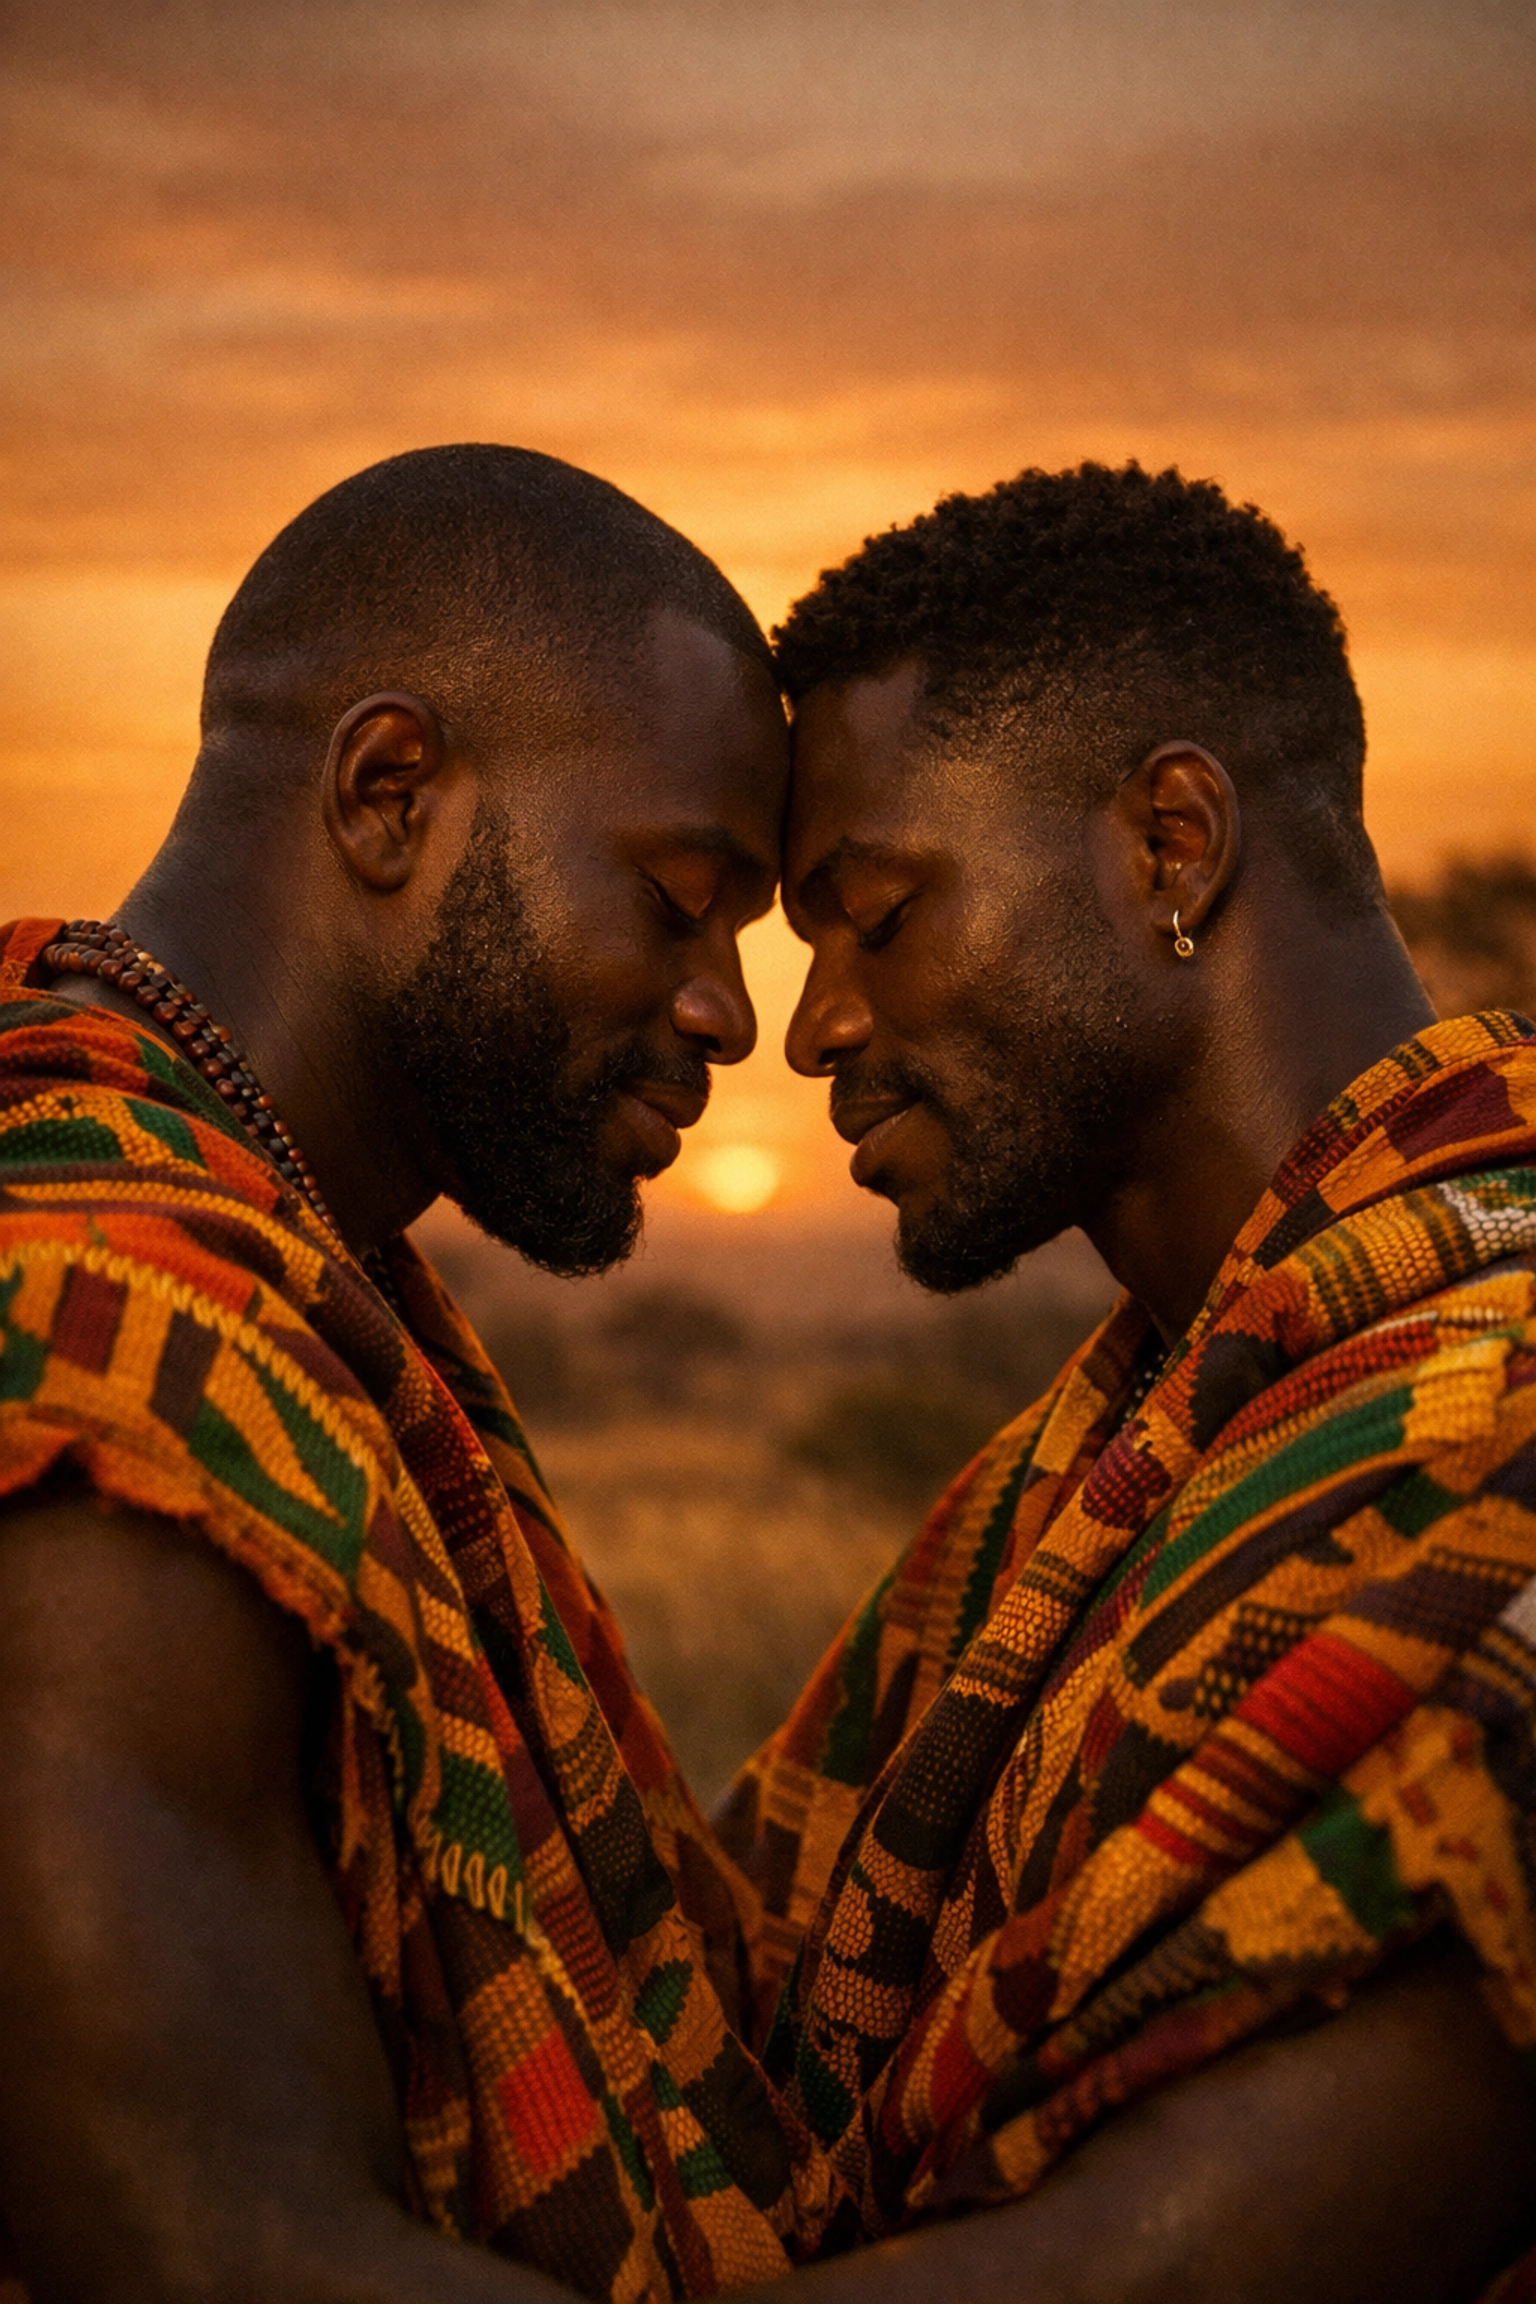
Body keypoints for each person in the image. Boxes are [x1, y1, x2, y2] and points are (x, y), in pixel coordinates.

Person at [0, 443, 822, 2302]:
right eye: (679, 898)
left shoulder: (294, 1262)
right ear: (390, 797)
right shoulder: (105, 1347)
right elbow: (212, 2250)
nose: (730, 1013)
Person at [713, 461, 1536, 2300]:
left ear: (1171, 844)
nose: (815, 1024)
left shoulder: (1498, 1424)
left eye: (880, 912)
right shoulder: (1089, 1470)